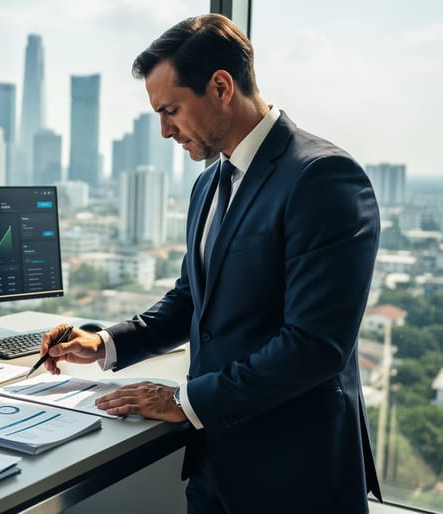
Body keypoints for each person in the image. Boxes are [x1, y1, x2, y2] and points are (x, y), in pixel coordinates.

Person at [39, 13, 382, 513]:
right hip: (214, 467)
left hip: (296, 474)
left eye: (171, 110)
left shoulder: (322, 177)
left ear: (221, 87)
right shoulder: (208, 184)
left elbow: (314, 346)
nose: (164, 131)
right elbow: (192, 299)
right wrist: (105, 343)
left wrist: (184, 401)